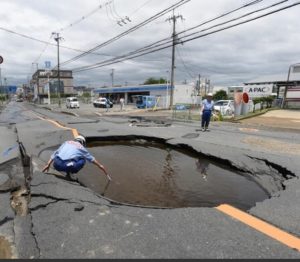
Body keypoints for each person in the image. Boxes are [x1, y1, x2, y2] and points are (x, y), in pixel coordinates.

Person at [42, 135, 112, 181]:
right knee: (82, 160)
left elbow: (55, 153)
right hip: (65, 166)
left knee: (72, 157)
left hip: (56, 164)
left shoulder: (67, 142)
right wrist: (100, 165)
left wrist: (48, 165)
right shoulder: (81, 147)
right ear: (82, 142)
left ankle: (68, 172)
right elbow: (92, 159)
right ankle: (70, 173)